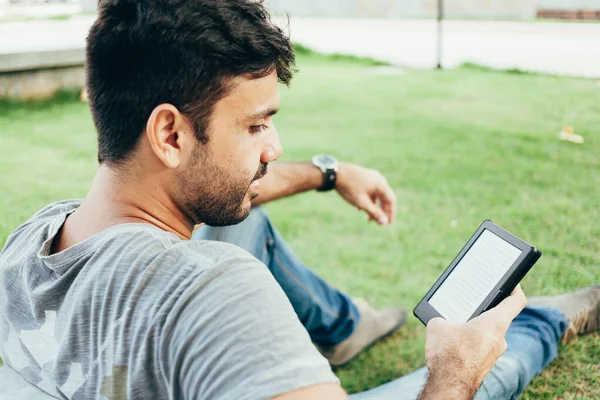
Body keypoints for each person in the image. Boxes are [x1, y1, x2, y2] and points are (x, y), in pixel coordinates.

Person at [0, 0, 598, 399]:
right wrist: (454, 369)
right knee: (487, 353)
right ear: (171, 134)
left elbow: (228, 196)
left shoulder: (35, 237)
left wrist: (328, 174)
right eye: (257, 125)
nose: (274, 146)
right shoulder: (210, 291)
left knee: (241, 218)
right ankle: (546, 322)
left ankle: (345, 327)